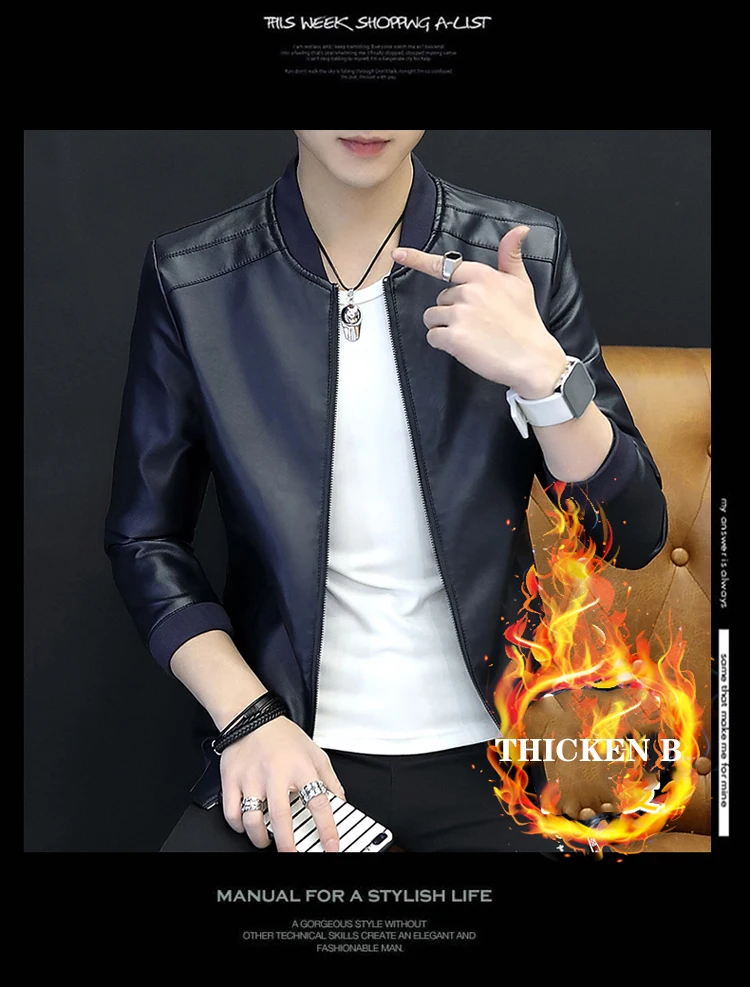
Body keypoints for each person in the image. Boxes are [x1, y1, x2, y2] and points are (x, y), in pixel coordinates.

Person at [103, 130, 668, 853]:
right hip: (291, 751)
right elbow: (146, 538)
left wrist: (547, 379)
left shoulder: (521, 257)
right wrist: (248, 718)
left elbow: (634, 534)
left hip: (500, 763)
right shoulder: (194, 277)